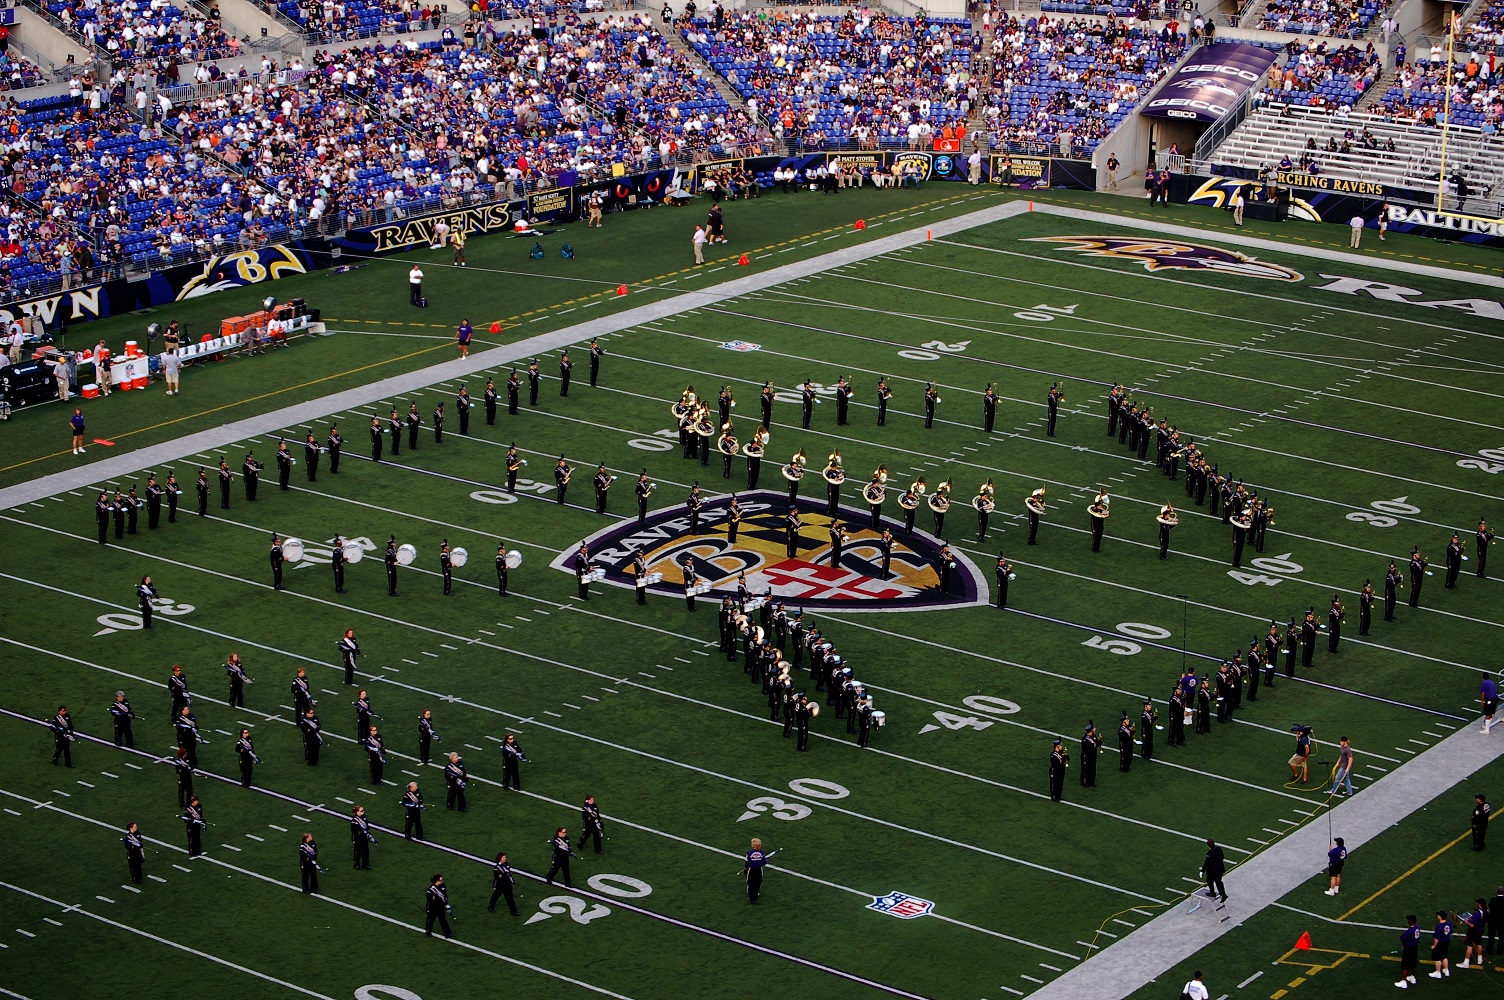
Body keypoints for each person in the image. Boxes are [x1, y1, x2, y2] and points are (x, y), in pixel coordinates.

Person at [743, 837, 774, 903]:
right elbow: (764, 863)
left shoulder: (749, 853)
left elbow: (747, 862)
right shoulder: (762, 853)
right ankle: (756, 895)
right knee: (758, 883)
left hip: (751, 870)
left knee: (750, 884)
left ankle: (752, 898)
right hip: (759, 870)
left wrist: (746, 868)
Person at [1396, 914, 1421, 988]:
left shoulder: (1409, 931)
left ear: (1410, 921)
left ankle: (1403, 982)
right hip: (1415, 947)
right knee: (1413, 963)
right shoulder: (1417, 928)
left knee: (1405, 965)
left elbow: (1402, 938)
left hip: (1408, 949)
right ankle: (1413, 977)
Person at [1430, 910, 1453, 978]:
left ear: (1440, 917)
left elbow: (1436, 938)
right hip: (1446, 942)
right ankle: (1446, 970)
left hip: (1440, 943)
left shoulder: (1439, 927)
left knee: (1437, 958)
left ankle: (1438, 972)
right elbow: (1451, 933)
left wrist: (1434, 946)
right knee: (1444, 956)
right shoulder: (1449, 923)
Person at [350, 805, 374, 870]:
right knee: (358, 851)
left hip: (364, 837)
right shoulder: (354, 821)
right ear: (357, 812)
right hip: (358, 838)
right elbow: (354, 831)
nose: (363, 811)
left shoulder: (364, 817)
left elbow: (366, 825)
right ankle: (356, 864)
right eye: (361, 811)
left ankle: (365, 864)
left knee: (366, 851)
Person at [1048, 738, 1067, 802]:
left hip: (1061, 770)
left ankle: (1059, 795)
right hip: (1055, 771)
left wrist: (1065, 756)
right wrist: (1063, 759)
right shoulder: (1053, 755)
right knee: (1054, 783)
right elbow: (1056, 764)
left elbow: (1068, 758)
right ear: (1057, 747)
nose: (1062, 747)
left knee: (1060, 783)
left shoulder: (1061, 753)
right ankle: (1054, 796)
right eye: (1061, 745)